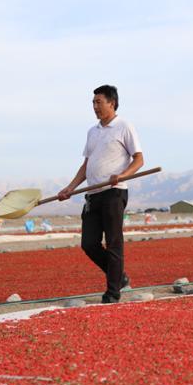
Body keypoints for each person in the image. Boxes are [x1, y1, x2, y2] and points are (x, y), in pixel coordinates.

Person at [58, 85, 144, 303]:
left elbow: (139, 160)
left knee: (114, 243)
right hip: (93, 195)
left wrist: (122, 175)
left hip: (113, 193)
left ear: (111, 103)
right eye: (93, 103)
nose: (95, 106)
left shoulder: (124, 126)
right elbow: (86, 165)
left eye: (99, 102)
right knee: (89, 243)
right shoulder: (92, 131)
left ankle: (112, 293)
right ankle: (119, 277)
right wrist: (70, 188)